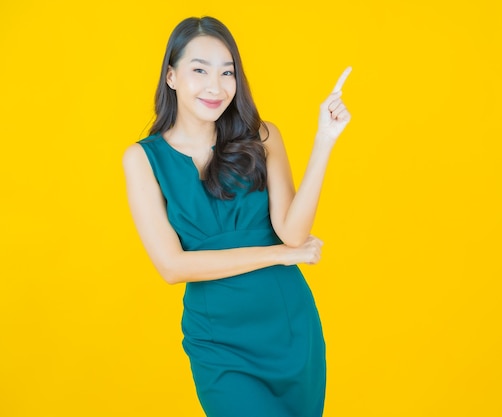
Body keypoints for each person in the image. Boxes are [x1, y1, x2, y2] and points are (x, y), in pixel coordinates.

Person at [122, 16, 351, 417]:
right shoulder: (143, 159)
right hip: (219, 342)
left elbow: (293, 234)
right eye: (199, 70)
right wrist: (277, 255)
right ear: (171, 76)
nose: (216, 86)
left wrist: (324, 141)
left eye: (227, 72)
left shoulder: (262, 137)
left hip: (289, 329)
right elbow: (173, 267)